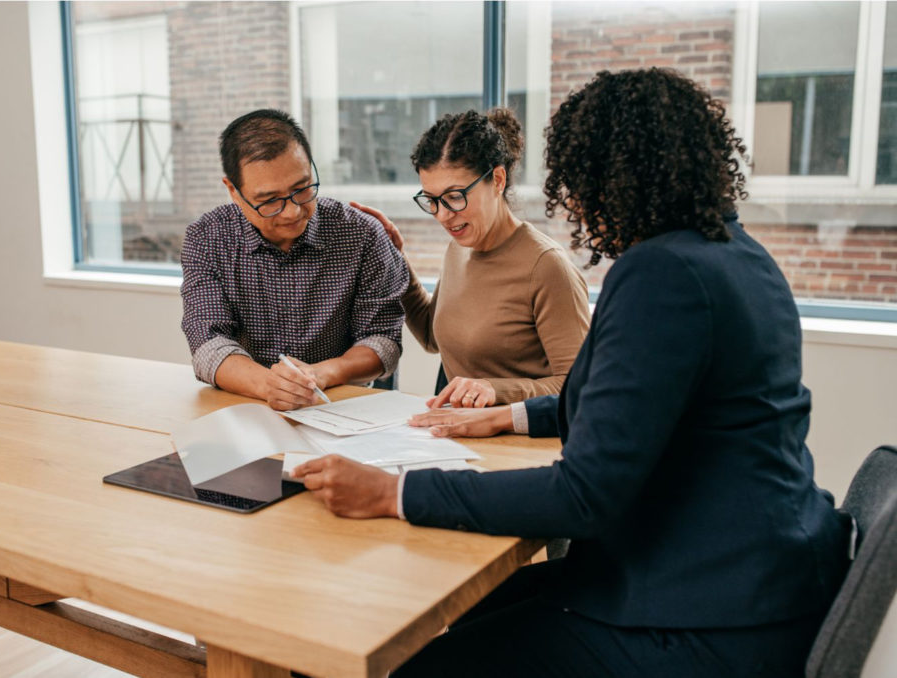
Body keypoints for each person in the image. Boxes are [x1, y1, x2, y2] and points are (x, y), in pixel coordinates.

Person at [292, 69, 850, 676]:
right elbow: (631, 405)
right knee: (473, 607)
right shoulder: (735, 254)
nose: (576, 204)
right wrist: (508, 415)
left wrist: (394, 491)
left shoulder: (661, 274)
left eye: (580, 183)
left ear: (615, 179)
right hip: (754, 570)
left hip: (710, 611)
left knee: (419, 661)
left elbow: (584, 495)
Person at [354, 108, 590, 409]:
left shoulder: (547, 267)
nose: (442, 215)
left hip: (520, 446)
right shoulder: (459, 248)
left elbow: (578, 388)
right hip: (461, 434)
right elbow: (431, 337)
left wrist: (495, 390)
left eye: (454, 197)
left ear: (498, 179)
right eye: (431, 200)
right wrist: (396, 259)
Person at [180, 109, 408, 411]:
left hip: (342, 405)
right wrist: (269, 385)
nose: (292, 212)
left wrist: (321, 374)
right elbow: (208, 343)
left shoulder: (361, 233)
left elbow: (383, 340)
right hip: (246, 406)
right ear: (234, 191)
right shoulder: (207, 238)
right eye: (270, 201)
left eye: (302, 189)